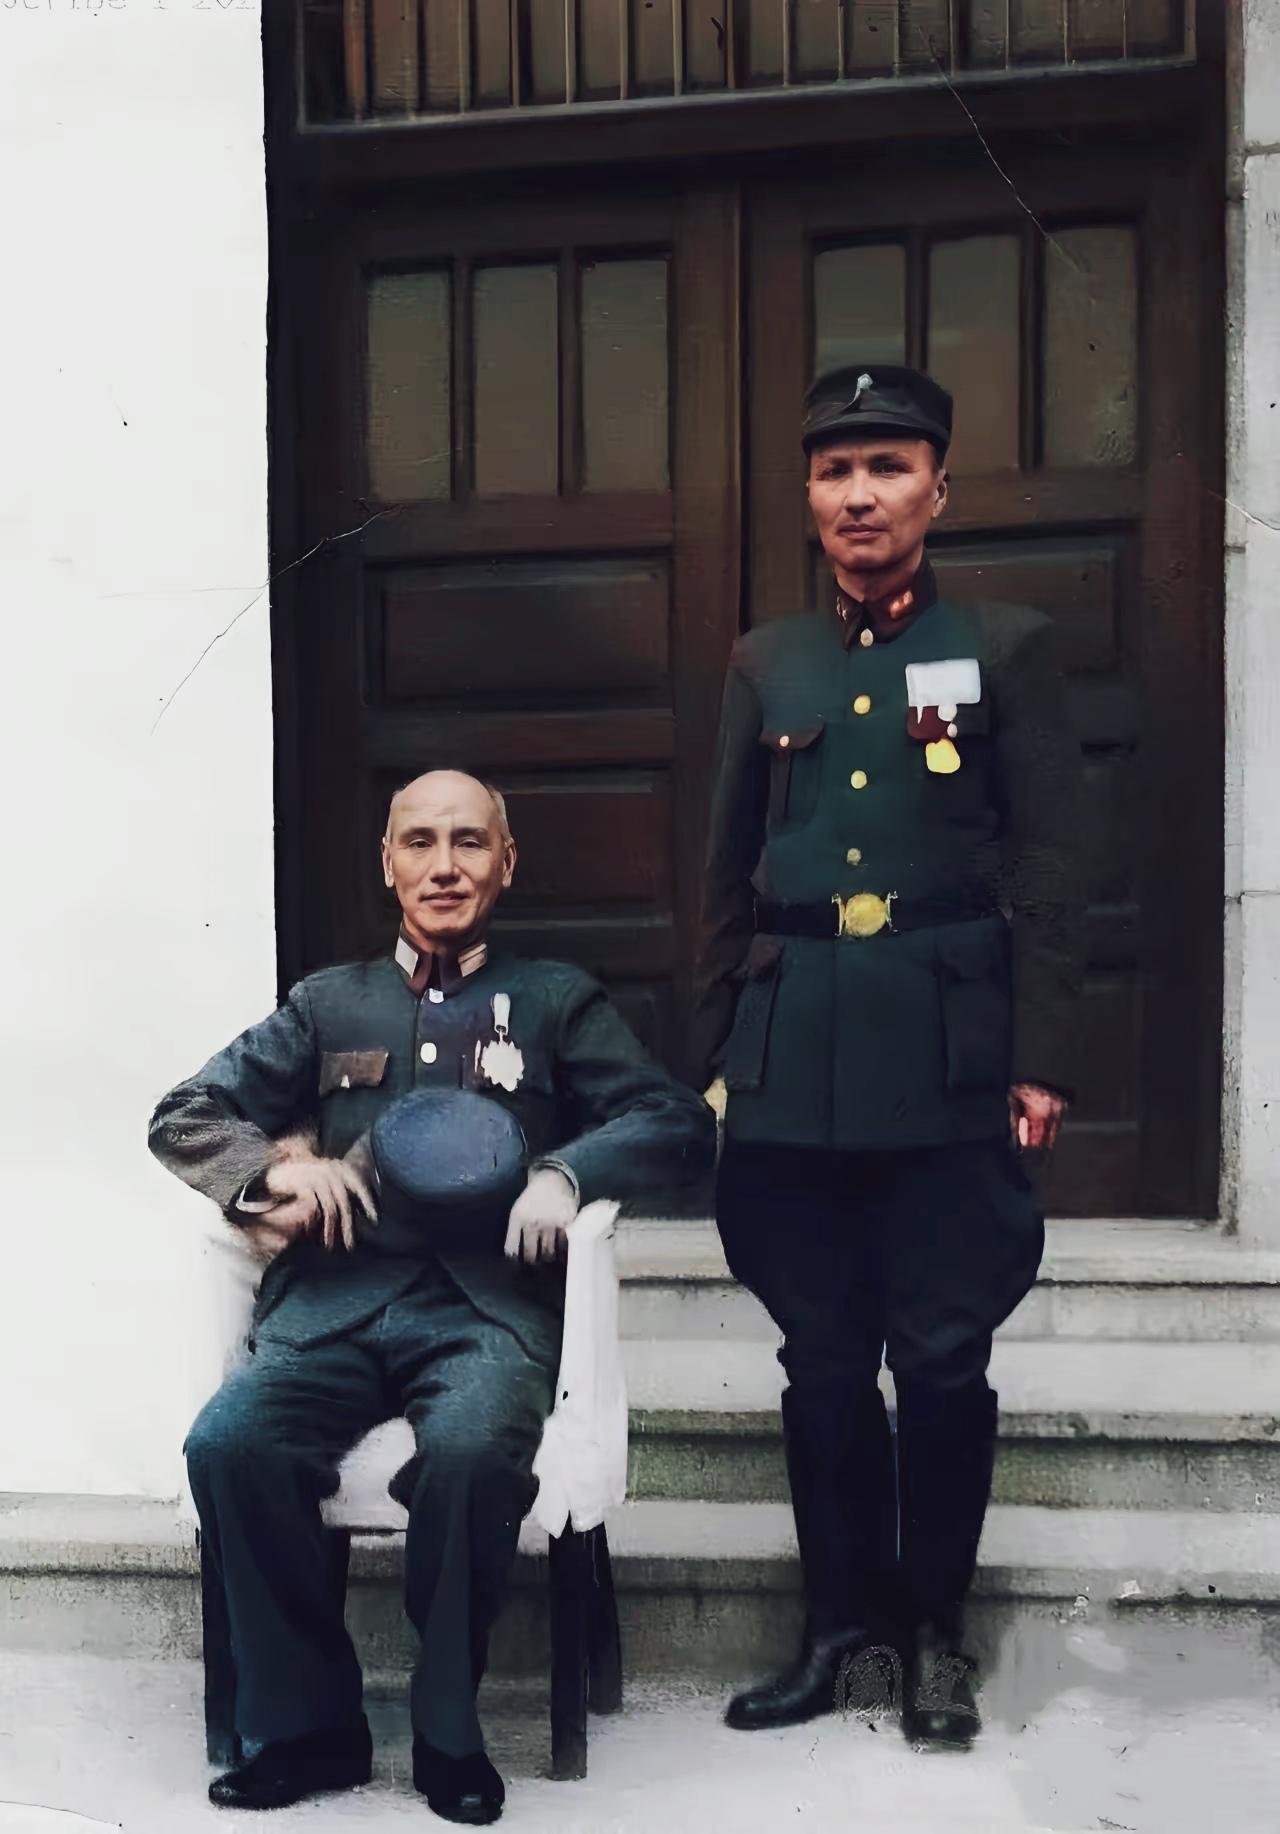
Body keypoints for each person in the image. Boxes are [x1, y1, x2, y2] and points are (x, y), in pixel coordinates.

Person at [150, 769, 715, 1823]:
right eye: (419, 842)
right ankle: (310, 1727)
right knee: (230, 1443)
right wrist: (271, 1175)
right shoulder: (327, 1003)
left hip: (485, 1313)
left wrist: (566, 1173)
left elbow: (675, 1122)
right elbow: (185, 1115)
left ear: (506, 862)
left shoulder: (556, 1002)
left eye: (468, 842)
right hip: (332, 1304)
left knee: (469, 1451)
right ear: (387, 863)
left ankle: (449, 1728)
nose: (443, 866)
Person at [691, 366, 1083, 1747]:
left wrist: (1040, 1057)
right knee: (818, 1359)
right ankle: (832, 1630)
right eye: (834, 471)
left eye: (888, 467)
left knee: (942, 1360)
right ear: (809, 497)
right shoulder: (769, 661)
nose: (859, 495)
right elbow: (725, 870)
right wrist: (713, 1057)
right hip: (792, 1055)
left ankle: (934, 1637)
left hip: (944, 1056)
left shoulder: (1007, 647)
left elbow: (1047, 866)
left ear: (937, 489)